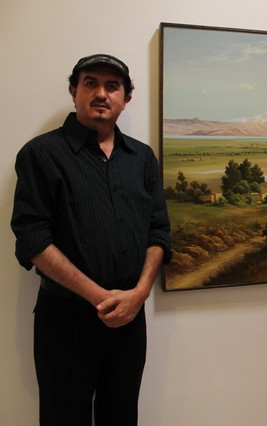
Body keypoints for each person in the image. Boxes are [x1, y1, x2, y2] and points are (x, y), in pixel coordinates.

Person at [11, 54, 171, 425]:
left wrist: (138, 295)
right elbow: (32, 238)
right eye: (90, 83)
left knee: (122, 417)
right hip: (66, 320)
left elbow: (159, 230)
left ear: (126, 98)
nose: (101, 93)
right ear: (74, 91)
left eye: (112, 86)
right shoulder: (41, 154)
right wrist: (101, 298)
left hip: (130, 317)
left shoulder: (142, 158)